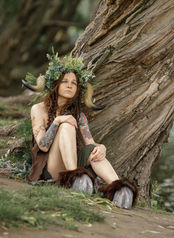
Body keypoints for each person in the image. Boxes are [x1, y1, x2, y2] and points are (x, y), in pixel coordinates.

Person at [22, 51, 138, 209]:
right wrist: (58, 121)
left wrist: (101, 147)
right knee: (66, 125)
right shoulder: (38, 109)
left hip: (74, 165)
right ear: (55, 84)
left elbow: (90, 143)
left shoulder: (80, 116)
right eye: (64, 81)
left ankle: (119, 189)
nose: (69, 85)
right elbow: (42, 146)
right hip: (50, 169)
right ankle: (74, 178)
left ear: (78, 89)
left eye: (74, 83)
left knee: (93, 150)